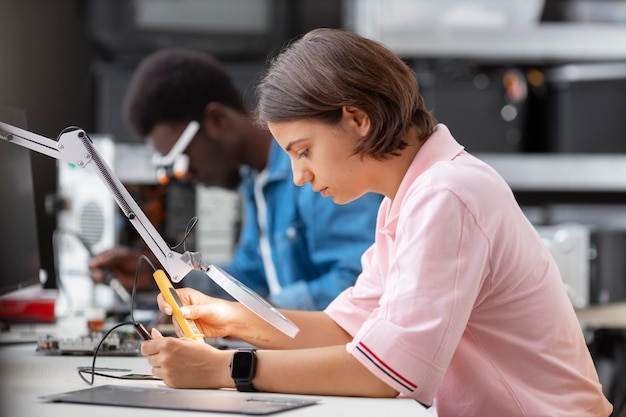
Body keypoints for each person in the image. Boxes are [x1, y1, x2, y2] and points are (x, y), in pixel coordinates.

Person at [139, 29, 613, 416]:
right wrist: (235, 320)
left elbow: (387, 372)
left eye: (303, 151)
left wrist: (226, 369)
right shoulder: (405, 200)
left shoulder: (447, 193)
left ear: (357, 119)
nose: (299, 176)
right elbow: (348, 330)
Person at [88, 48, 381, 310]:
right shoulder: (256, 182)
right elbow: (250, 275)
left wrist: (263, 315)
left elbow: (359, 282)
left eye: (182, 156)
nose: (185, 174)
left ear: (216, 120)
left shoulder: (321, 173)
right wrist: (164, 277)